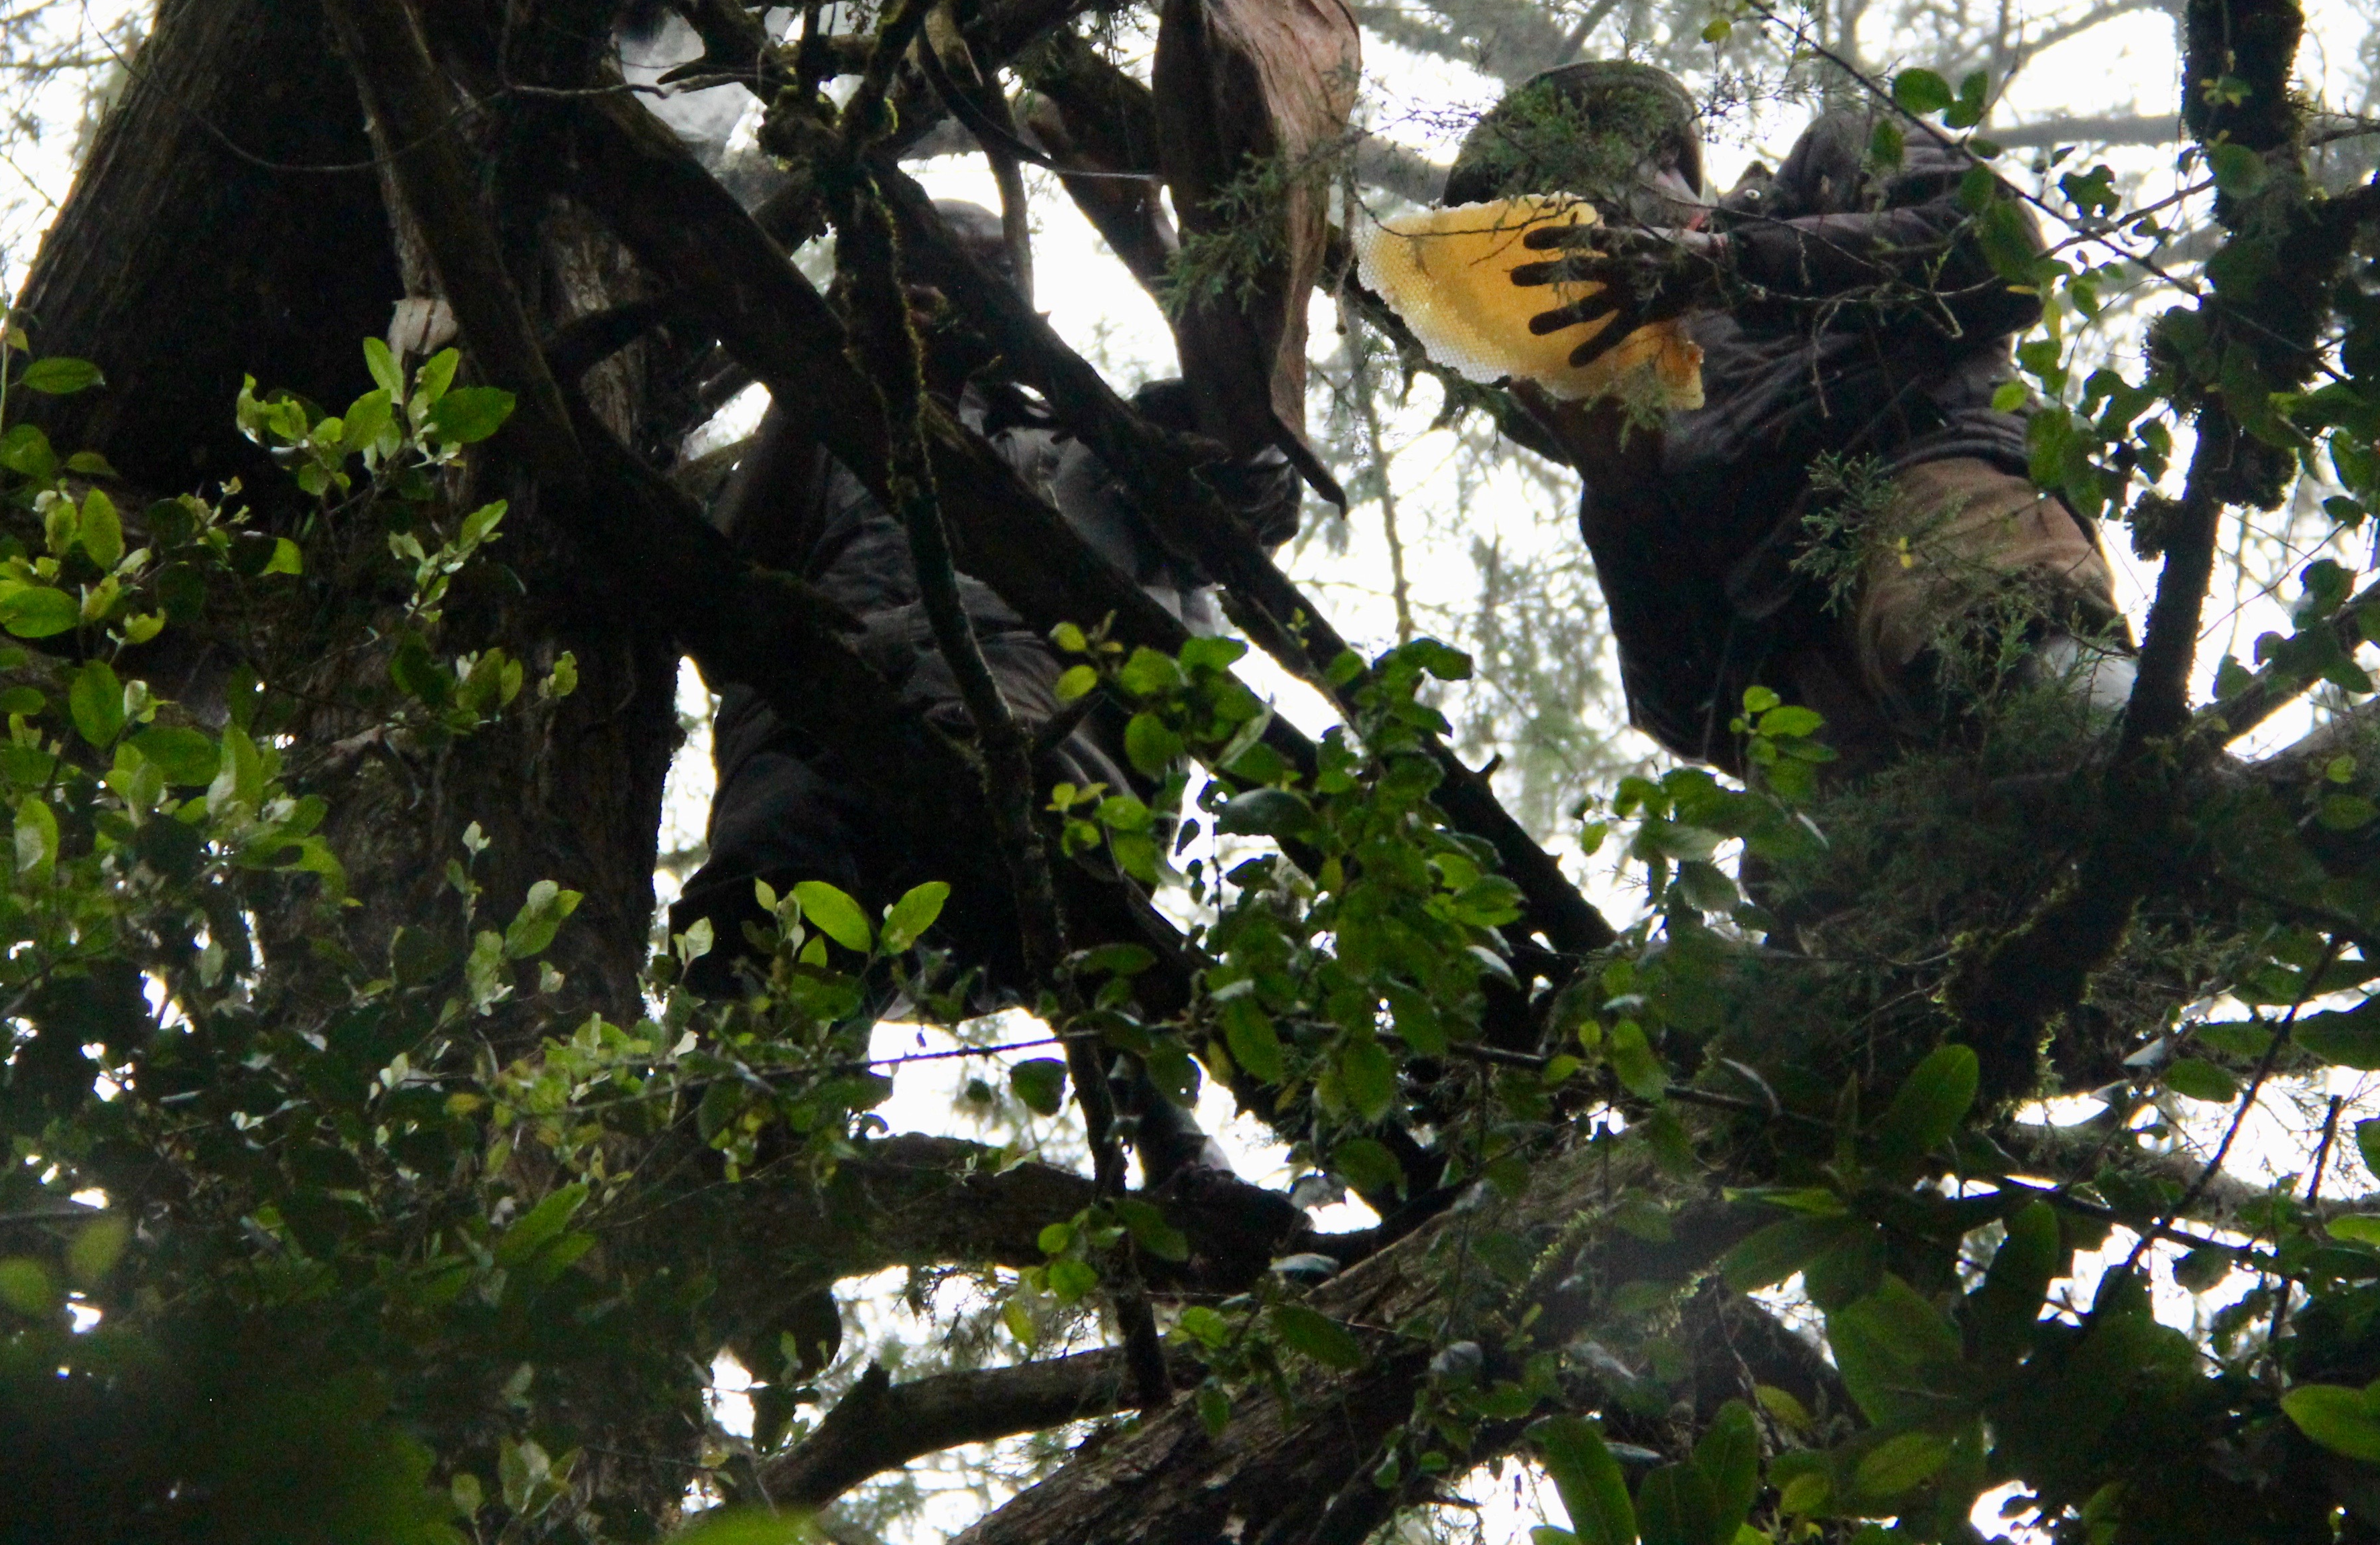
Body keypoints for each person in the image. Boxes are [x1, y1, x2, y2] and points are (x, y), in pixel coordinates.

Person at [672, 201, 1302, 1211]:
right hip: (824, 698)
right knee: (773, 864)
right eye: (929, 262)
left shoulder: (1086, 439)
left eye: (992, 267)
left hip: (1048, 704)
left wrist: (1252, 462)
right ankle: (753, 1144)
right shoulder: (822, 428)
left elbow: (1223, 492)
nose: (964, 286)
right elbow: (727, 583)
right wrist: (827, 374)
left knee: (1071, 874)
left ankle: (1178, 1153)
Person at [1445, 64, 2125, 774]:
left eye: (1579, 202)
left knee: (2014, 649)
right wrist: (1621, 488)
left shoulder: (1818, 176)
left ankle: (2177, 788)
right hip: (1808, 684)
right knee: (1850, 873)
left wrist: (1729, 264)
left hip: (1920, 486)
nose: (1581, 242)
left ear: (1662, 158)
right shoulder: (1634, 398)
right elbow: (1692, 716)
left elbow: (1999, 253)